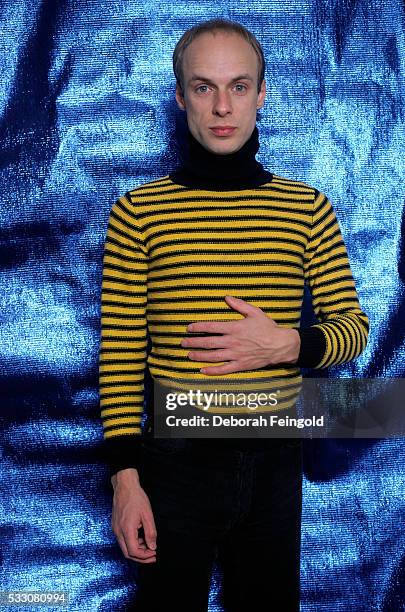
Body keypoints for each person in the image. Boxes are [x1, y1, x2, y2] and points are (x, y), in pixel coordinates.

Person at [99, 19, 369, 611]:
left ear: (262, 94)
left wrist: (286, 345)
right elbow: (120, 353)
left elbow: (353, 329)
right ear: (180, 97)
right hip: (174, 466)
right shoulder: (139, 212)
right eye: (203, 87)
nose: (222, 106)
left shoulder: (308, 209)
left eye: (239, 86)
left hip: (274, 460)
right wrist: (124, 480)